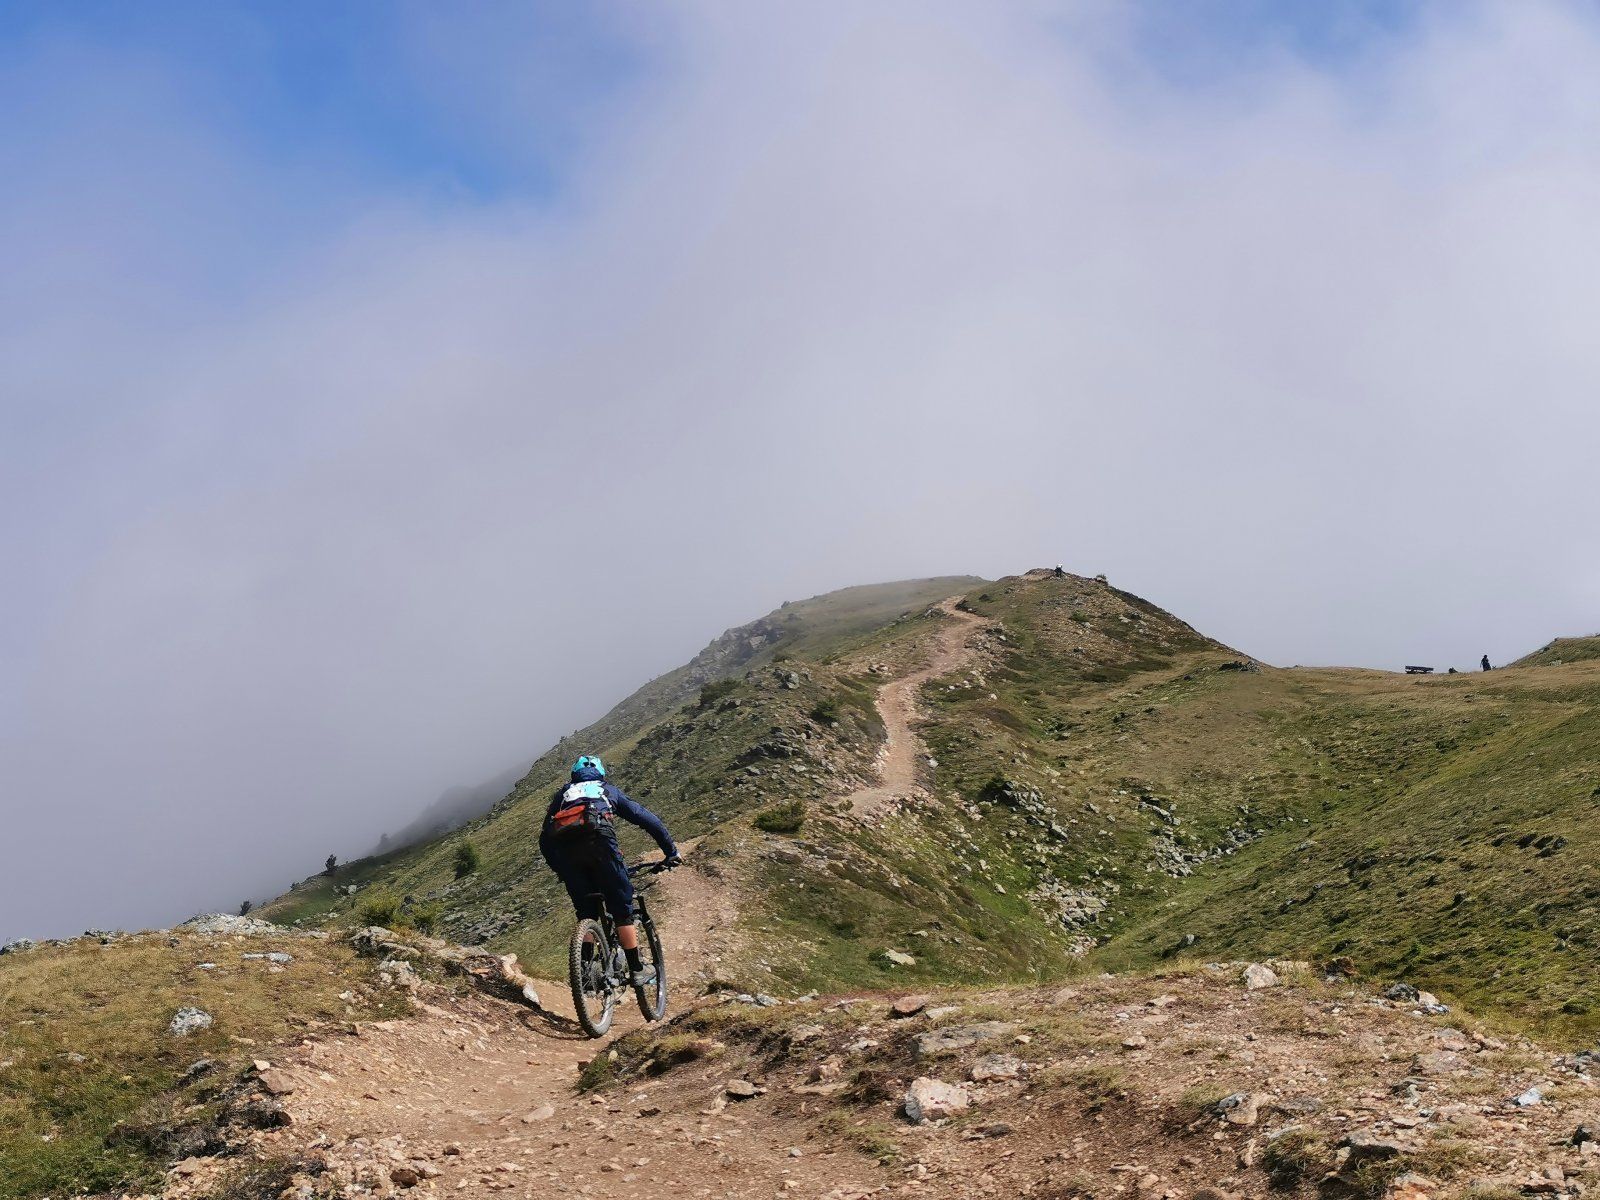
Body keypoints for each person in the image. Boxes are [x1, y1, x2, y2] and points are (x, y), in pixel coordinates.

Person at [539, 755, 679, 986]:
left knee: (586, 912)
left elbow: (544, 839)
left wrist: (561, 870)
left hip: (567, 855)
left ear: (574, 775)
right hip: (601, 847)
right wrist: (670, 851)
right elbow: (645, 818)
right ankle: (636, 969)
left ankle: (585, 973)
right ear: (601, 774)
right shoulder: (607, 790)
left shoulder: (563, 795)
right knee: (621, 908)